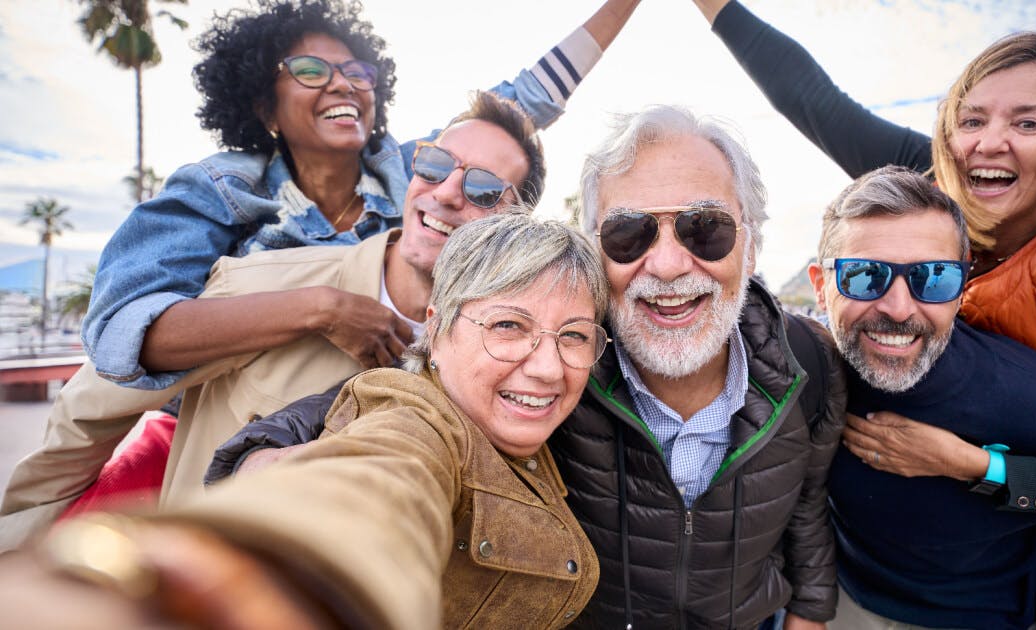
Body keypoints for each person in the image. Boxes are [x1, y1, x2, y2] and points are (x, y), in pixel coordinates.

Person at [212, 104, 846, 629]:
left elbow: (807, 505)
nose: (670, 265)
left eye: (705, 229)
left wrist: (809, 617)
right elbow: (405, 414)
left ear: (752, 243)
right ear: (599, 252)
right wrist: (282, 477)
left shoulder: (809, 362)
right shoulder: (557, 372)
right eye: (630, 235)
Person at [691, 0, 1036, 620]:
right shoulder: (930, 181)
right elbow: (811, 99)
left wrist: (971, 464)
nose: (991, 142)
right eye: (972, 119)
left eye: (1029, 124)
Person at [0, 211, 610, 630]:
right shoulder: (417, 414)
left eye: (575, 337)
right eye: (509, 326)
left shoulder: (519, 428)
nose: (549, 368)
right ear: (440, 327)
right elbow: (381, 476)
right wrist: (258, 574)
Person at [0, 92, 544, 547]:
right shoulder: (260, 284)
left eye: (482, 189)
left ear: (518, 220)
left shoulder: (517, 355)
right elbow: (88, 416)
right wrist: (18, 545)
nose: (446, 193)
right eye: (433, 165)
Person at [85, 0, 640, 391]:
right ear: (262, 106)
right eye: (309, 70)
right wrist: (323, 309)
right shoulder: (220, 190)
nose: (343, 84)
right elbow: (122, 335)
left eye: (357, 71)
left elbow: (525, 102)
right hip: (239, 418)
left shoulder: (409, 168)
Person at [809, 166, 1036, 628]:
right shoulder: (798, 373)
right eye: (865, 275)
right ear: (820, 285)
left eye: (932, 278)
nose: (898, 307)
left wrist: (974, 465)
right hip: (845, 598)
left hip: (980, 614)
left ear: (962, 288)